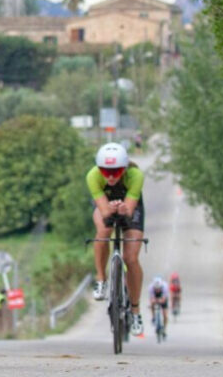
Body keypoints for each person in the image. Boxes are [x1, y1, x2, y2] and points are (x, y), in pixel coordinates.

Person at [87, 142, 146, 336]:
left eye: (116, 171)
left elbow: (129, 210)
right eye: (106, 171)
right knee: (103, 232)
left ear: (125, 168)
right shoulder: (93, 176)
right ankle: (101, 278)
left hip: (130, 204)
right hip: (105, 203)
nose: (111, 176)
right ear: (99, 169)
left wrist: (123, 210)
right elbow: (104, 212)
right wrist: (110, 209)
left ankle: (135, 310)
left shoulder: (135, 175)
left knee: (131, 257)